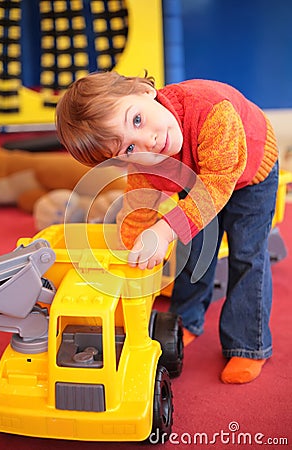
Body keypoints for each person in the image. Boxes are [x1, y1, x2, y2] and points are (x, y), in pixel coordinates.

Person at [55, 71, 279, 384]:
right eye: (129, 150)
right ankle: (185, 319)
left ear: (145, 90)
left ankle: (248, 344)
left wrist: (163, 230)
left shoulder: (214, 111)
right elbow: (137, 210)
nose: (148, 141)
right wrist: (131, 252)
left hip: (251, 172)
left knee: (247, 255)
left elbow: (217, 185)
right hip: (200, 175)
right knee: (195, 245)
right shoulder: (147, 161)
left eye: (136, 120)